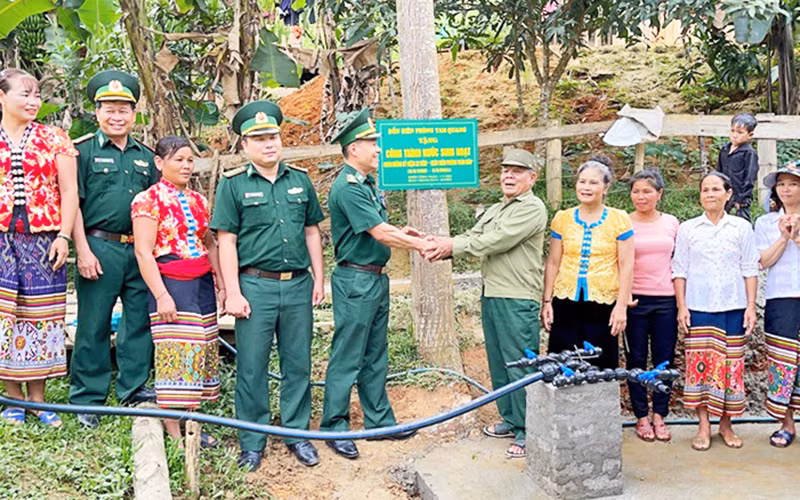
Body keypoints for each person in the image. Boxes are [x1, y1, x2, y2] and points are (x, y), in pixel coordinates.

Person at [211, 101, 325, 472]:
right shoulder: (233, 185)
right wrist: (233, 292)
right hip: (254, 286)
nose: (268, 144)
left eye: (273, 136)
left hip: (297, 286)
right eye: (259, 139)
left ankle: (296, 434)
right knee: (252, 366)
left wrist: (319, 278)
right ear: (245, 145)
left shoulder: (300, 180)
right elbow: (226, 241)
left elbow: (312, 231)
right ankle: (252, 441)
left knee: (298, 363)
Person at [320, 108, 433, 460]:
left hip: (373, 278)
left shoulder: (367, 183)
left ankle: (380, 421)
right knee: (348, 355)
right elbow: (379, 232)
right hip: (356, 280)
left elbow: (380, 229)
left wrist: (403, 232)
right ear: (354, 148)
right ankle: (334, 427)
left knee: (374, 354)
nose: (378, 149)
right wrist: (419, 245)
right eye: (372, 143)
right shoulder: (348, 187)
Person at [424, 148, 547, 459]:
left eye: (517, 171)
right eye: (505, 170)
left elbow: (496, 241)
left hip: (517, 297)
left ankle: (528, 430)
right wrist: (438, 243)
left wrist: (450, 246)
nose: (508, 176)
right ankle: (511, 419)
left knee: (521, 365)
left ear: (532, 178)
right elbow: (473, 234)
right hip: (492, 291)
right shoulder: (496, 208)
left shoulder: (532, 209)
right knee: (499, 362)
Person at [69, 70, 159, 428]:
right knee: (94, 322)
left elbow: (157, 205)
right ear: (97, 112)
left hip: (139, 250)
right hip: (98, 246)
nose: (116, 116)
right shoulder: (81, 152)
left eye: (124, 109)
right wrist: (82, 250)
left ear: (134, 114)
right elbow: (72, 205)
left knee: (138, 320)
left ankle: (133, 388)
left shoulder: (146, 157)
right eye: (109, 109)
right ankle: (88, 397)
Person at [131, 136, 222, 447]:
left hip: (201, 282)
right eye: (178, 160)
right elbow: (143, 252)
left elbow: (209, 243)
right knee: (176, 353)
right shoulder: (147, 200)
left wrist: (221, 283)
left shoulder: (198, 201)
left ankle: (193, 423)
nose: (185, 166)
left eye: (189, 160)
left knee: (201, 350)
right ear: (160, 163)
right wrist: (161, 295)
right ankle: (174, 431)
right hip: (171, 281)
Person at [0, 69, 78, 427]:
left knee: (42, 316)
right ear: (2, 97)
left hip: (43, 239)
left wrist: (64, 235)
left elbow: (69, 191)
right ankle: (12, 399)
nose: (33, 101)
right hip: (2, 238)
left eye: (36, 95)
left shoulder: (54, 138)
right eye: (25, 94)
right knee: (4, 317)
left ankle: (38, 399)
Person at [672, 172, 759, 451]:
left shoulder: (741, 227)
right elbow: (679, 270)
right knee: (701, 367)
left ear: (728, 194)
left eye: (715, 189)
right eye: (705, 190)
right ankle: (703, 426)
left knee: (731, 367)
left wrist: (750, 307)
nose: (710, 194)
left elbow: (750, 268)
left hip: (733, 307)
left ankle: (726, 424)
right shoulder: (688, 229)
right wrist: (682, 306)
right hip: (699, 307)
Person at [541, 157, 634, 370]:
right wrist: (546, 301)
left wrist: (621, 306)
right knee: (562, 362)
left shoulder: (619, 219)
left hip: (602, 303)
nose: (586, 187)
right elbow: (553, 262)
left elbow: (626, 265)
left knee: (599, 363)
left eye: (593, 182)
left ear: (605, 187)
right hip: (565, 300)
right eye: (582, 181)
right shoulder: (562, 219)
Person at [625, 169, 679, 442]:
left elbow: (679, 261)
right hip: (634, 300)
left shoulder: (671, 223)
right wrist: (622, 295)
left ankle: (660, 415)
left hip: (666, 299)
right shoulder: (622, 222)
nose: (641, 196)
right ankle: (641, 417)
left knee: (664, 358)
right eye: (636, 191)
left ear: (659, 194)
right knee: (635, 359)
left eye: (647, 191)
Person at [754, 162, 800, 448]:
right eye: (781, 184)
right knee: (782, 358)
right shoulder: (765, 223)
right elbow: (762, 261)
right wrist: (784, 237)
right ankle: (786, 423)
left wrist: (797, 236)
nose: (786, 189)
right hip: (780, 295)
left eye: (793, 183)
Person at [717, 112, 758, 222]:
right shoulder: (724, 149)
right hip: (724, 193)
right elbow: (719, 172)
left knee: (742, 222)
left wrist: (742, 198)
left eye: (740, 132)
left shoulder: (749, 153)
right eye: (732, 131)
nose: (735, 135)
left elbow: (750, 178)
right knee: (720, 220)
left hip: (740, 195)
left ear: (750, 135)